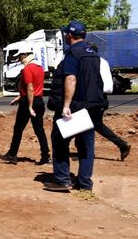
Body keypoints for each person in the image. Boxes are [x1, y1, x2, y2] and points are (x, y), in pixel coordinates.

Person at [44, 20, 107, 192]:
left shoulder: (73, 53)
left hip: (76, 106)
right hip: (93, 105)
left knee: (59, 141)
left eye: (66, 33)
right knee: (86, 145)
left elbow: (71, 79)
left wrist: (66, 105)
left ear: (70, 35)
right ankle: (85, 183)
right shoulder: (92, 53)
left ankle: (62, 180)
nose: (65, 36)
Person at [0, 43, 51, 165]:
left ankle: (12, 155)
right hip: (38, 101)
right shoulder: (40, 68)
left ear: (25, 55)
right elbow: (35, 88)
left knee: (18, 129)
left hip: (29, 102)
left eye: (20, 57)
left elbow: (30, 88)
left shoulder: (28, 69)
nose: (19, 60)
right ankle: (46, 156)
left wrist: (29, 106)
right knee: (39, 130)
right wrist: (19, 97)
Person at [88, 43, 131, 161]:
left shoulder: (93, 62)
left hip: (95, 98)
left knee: (90, 125)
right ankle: (121, 145)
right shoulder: (103, 61)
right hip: (101, 98)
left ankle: (121, 144)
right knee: (93, 125)